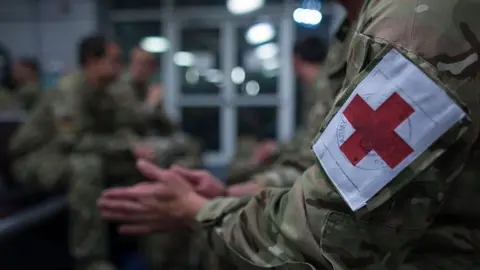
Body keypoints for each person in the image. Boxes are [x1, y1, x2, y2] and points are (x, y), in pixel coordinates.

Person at [98, 0, 480, 269]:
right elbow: (315, 160)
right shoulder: (354, 28)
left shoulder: (416, 24)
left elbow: (330, 234)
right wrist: (229, 195)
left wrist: (197, 211)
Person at [110, 46, 203, 270]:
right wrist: (151, 104)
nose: (144, 68)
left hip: (148, 144)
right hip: (126, 145)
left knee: (190, 145)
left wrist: (157, 107)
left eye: (149, 64)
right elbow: (130, 123)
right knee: (161, 154)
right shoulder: (120, 88)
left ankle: (185, 183)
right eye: (139, 63)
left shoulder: (147, 88)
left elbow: (169, 126)